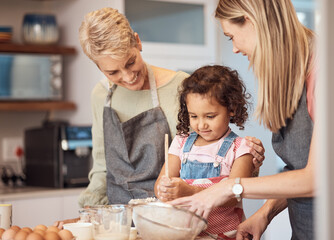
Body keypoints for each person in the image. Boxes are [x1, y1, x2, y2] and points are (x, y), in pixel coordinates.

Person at [54, 6, 266, 227]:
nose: (127, 77)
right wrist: (89, 217)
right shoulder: (101, 96)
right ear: (98, 67)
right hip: (116, 219)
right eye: (112, 72)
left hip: (166, 220)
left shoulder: (180, 87)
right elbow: (101, 168)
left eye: (130, 62)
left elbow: (212, 155)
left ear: (138, 42)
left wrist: (250, 162)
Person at [170, 1, 316, 240]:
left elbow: (318, 177)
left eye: (231, 37)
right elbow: (298, 171)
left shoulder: (323, 68)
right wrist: (265, 213)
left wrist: (230, 186)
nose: (235, 49)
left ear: (252, 19)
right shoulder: (294, 70)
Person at [155, 65, 255, 239]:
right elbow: (159, 185)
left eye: (210, 116)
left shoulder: (240, 148)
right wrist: (164, 189)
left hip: (225, 235)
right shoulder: (181, 142)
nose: (201, 125)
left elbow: (234, 196)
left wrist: (190, 191)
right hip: (187, 234)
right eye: (194, 116)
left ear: (231, 109)